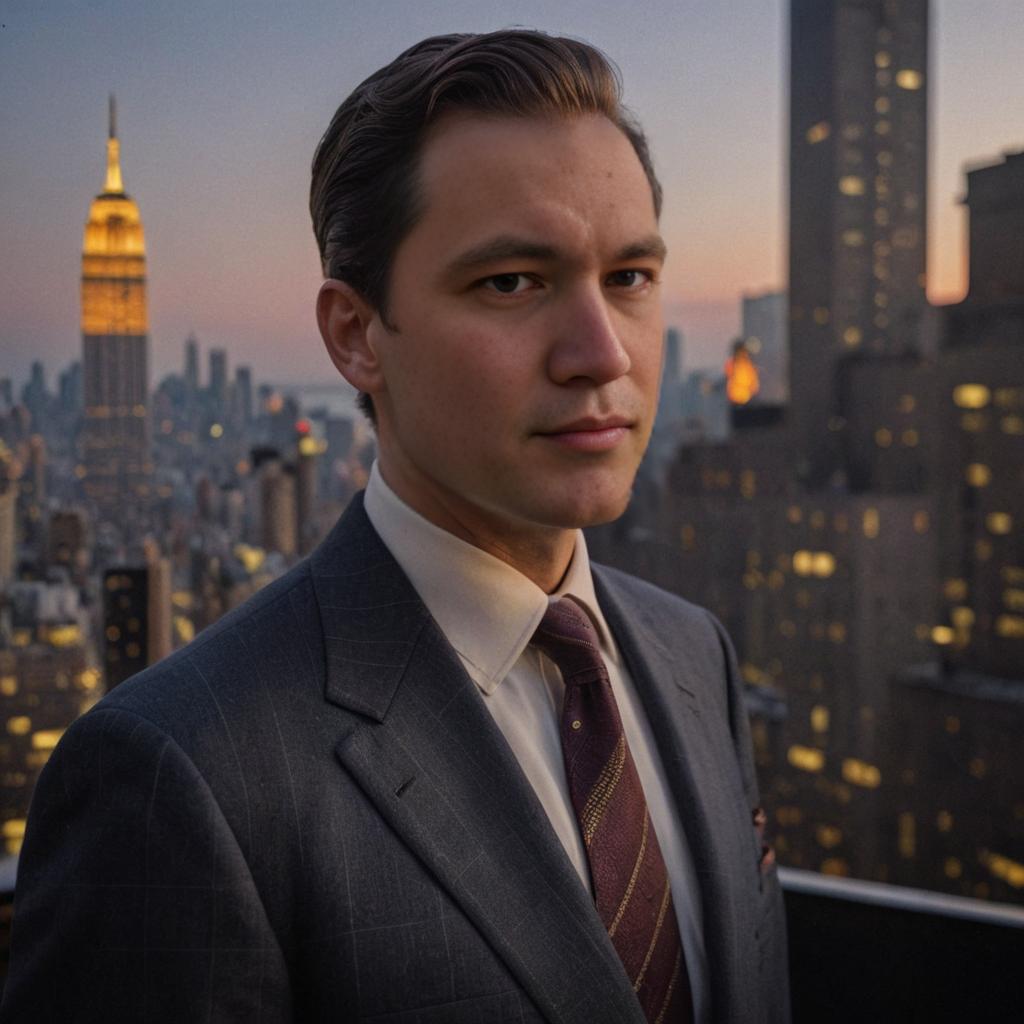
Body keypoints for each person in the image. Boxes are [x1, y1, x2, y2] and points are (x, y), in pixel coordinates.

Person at [2, 30, 789, 1024]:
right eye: (511, 281)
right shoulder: (179, 774)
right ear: (355, 335)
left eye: (628, 277)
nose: (602, 353)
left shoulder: (693, 656)